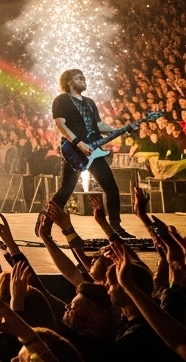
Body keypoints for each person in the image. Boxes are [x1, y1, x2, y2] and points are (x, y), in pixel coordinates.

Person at [49, 69, 133, 239]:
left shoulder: (89, 102)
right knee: (66, 189)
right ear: (69, 82)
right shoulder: (61, 100)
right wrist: (78, 143)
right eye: (79, 78)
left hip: (93, 151)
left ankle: (116, 228)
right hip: (74, 151)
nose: (83, 80)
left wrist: (120, 130)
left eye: (84, 78)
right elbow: (61, 125)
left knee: (111, 188)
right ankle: (45, 222)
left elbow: (99, 126)